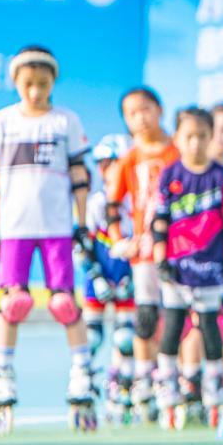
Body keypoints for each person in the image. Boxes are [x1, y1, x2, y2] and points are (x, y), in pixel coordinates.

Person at [0, 46, 96, 431]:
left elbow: (80, 177)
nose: (34, 92)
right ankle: (1, 372)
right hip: (14, 228)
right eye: (28, 84)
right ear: (15, 82)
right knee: (13, 304)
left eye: (42, 84)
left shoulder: (65, 121)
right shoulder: (2, 121)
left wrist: (81, 224)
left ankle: (82, 370)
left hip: (56, 228)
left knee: (64, 303)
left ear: (53, 83)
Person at [151, 107, 223, 428]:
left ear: (211, 137)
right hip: (177, 266)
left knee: (210, 326)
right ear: (177, 138)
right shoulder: (171, 175)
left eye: (202, 136)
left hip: (209, 264)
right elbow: (159, 220)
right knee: (174, 327)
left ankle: (213, 383)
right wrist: (161, 258)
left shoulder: (222, 176)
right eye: (188, 136)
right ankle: (168, 385)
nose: (195, 143)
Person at [105, 86, 179, 420]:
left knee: (178, 316)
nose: (140, 118)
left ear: (160, 109)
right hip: (145, 254)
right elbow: (111, 205)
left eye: (145, 109)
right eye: (132, 113)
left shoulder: (177, 152)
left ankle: (173, 379)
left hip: (179, 251)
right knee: (146, 317)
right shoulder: (129, 159)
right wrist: (119, 239)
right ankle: (144, 380)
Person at [178, 102, 223, 414]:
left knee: (219, 321)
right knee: (186, 323)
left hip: (217, 263)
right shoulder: (184, 172)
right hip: (185, 261)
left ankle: (219, 374)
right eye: (221, 129)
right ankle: (188, 379)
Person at [80, 134, 136, 424]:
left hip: (127, 279)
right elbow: (83, 246)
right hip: (99, 279)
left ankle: (121, 387)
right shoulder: (95, 203)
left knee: (126, 338)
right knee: (90, 337)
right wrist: (96, 277)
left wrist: (135, 278)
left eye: (111, 164)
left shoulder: (135, 202)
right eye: (100, 165)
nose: (104, 171)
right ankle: (84, 386)